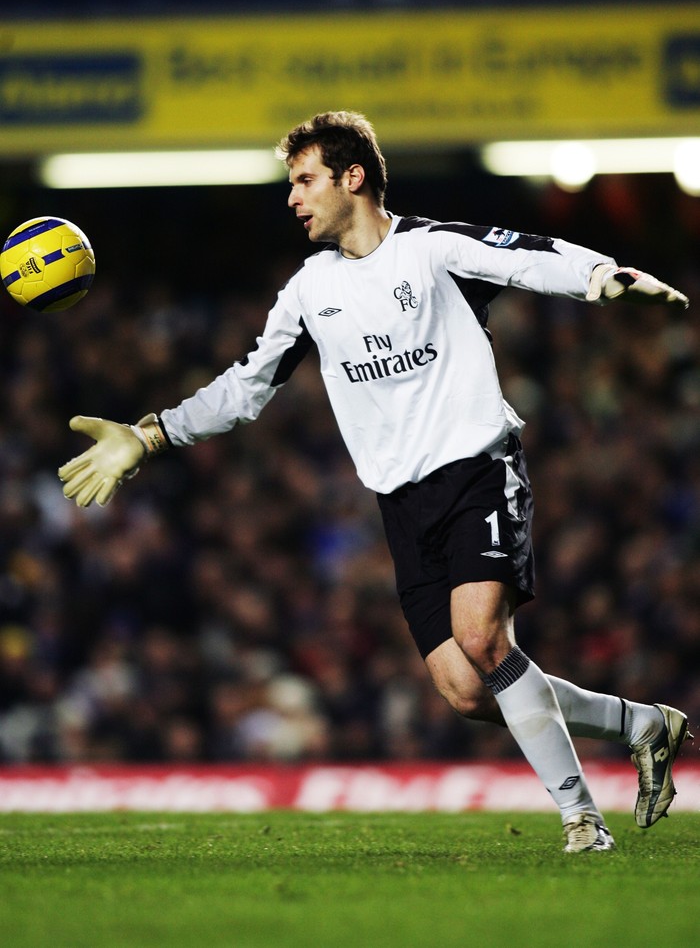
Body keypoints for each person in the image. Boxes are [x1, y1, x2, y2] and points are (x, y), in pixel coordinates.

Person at [58, 110, 692, 852]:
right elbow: (244, 386)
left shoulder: (430, 250)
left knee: (483, 637)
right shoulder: (307, 293)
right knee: (465, 688)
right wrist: (149, 432)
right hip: (403, 502)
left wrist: (599, 277)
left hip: (478, 469)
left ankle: (582, 818)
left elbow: (526, 255)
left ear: (352, 177)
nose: (292, 199)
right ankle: (642, 724)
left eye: (304, 181)